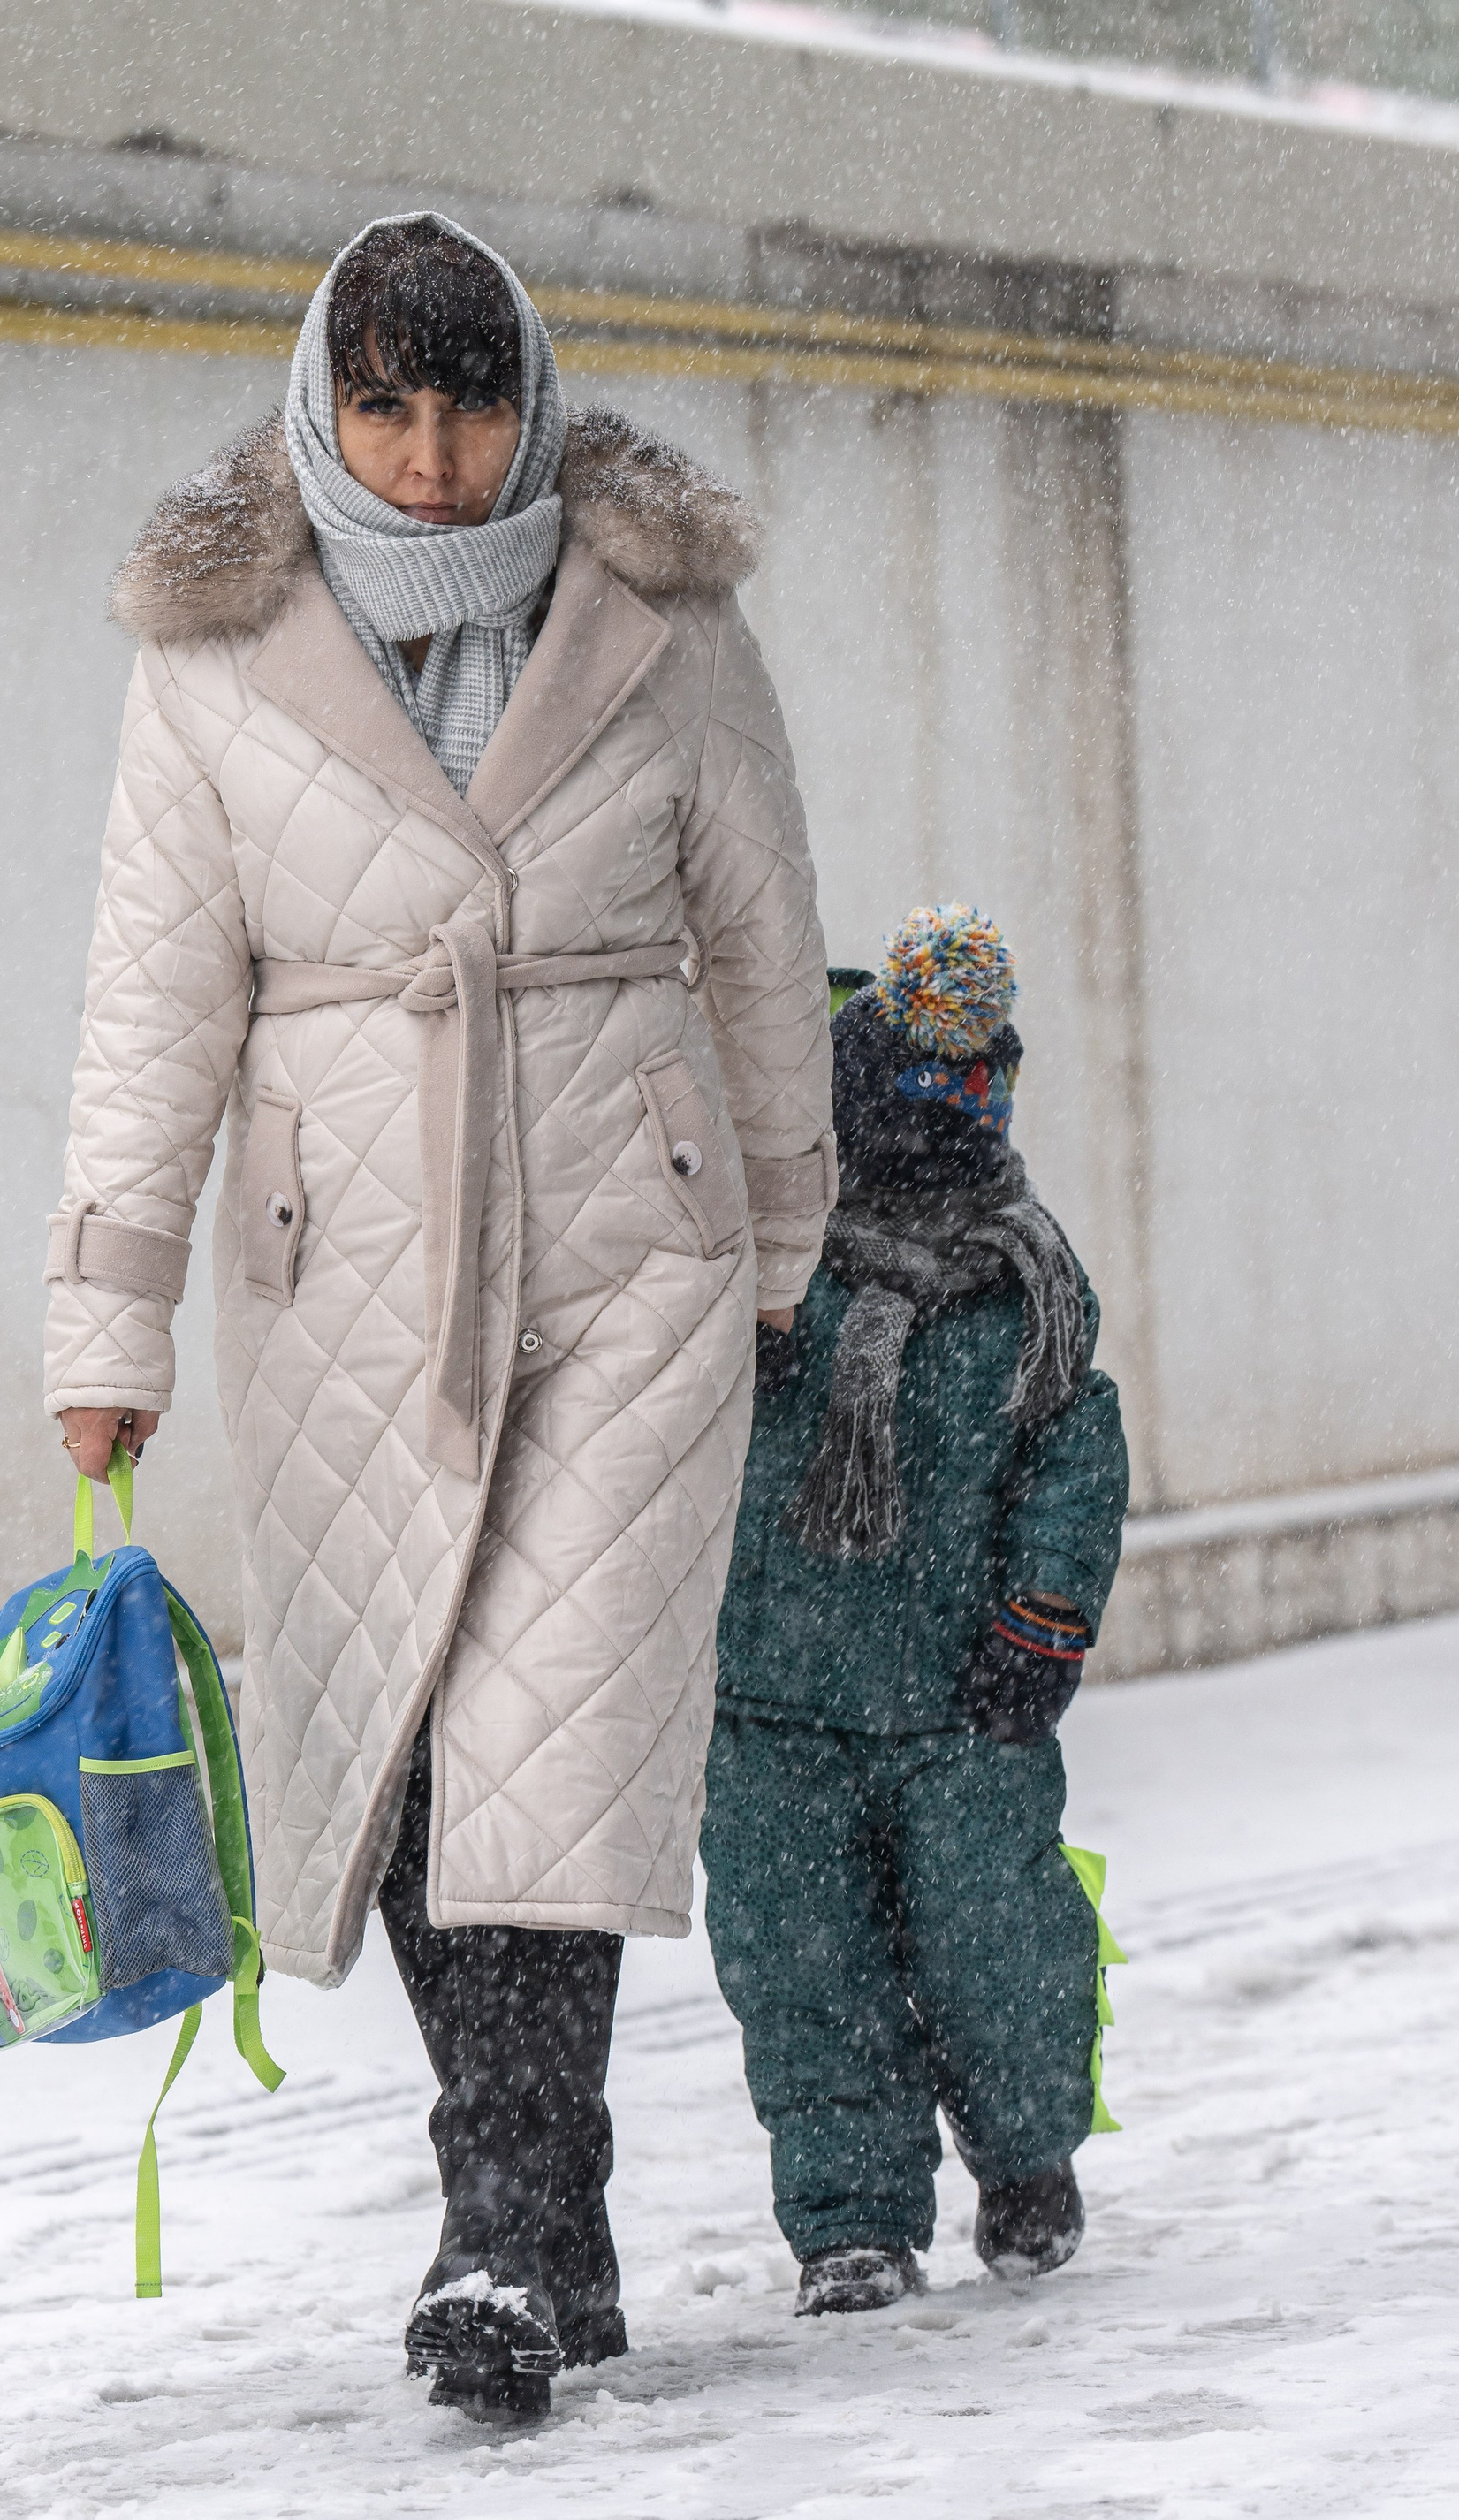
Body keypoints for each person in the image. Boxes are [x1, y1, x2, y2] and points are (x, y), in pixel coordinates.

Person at [42, 214, 834, 2414]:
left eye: (470, 401)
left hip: (626, 1234)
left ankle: (495, 2218)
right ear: (324, 400)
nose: (427, 454)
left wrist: (786, 1235)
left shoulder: (659, 618)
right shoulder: (213, 652)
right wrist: (105, 1319)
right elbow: (149, 997)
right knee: (393, 1735)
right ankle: (546, 2202)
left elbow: (762, 930)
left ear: (533, 403)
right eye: (384, 401)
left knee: (544, 1722)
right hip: (341, 1261)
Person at [702, 906, 1129, 2317]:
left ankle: (1026, 2164)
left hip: (966, 1696)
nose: (960, 1127)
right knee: (803, 1970)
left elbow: (1073, 1452)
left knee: (1000, 1952)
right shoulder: (773, 1257)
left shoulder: (1027, 1281)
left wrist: (1046, 1614)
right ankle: (852, 2224)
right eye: (929, 1095)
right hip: (772, 1694)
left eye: (983, 1094)